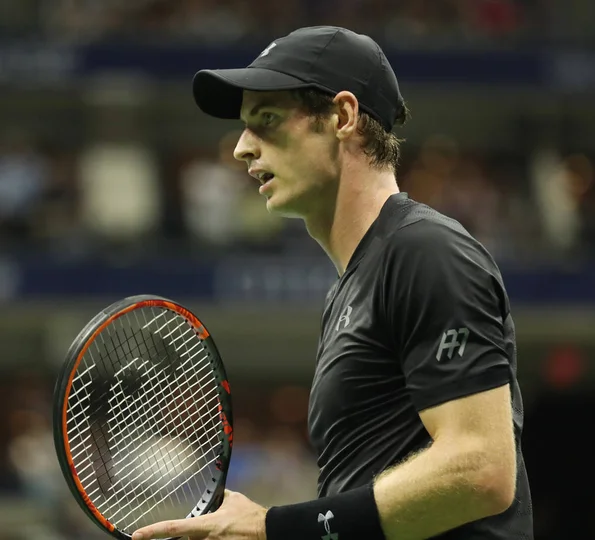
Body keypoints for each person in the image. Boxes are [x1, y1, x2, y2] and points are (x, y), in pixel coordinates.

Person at [132, 26, 533, 540]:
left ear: (342, 117)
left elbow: (481, 471)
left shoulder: (425, 253)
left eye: (267, 121)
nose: (239, 149)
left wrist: (274, 528)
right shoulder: (350, 287)